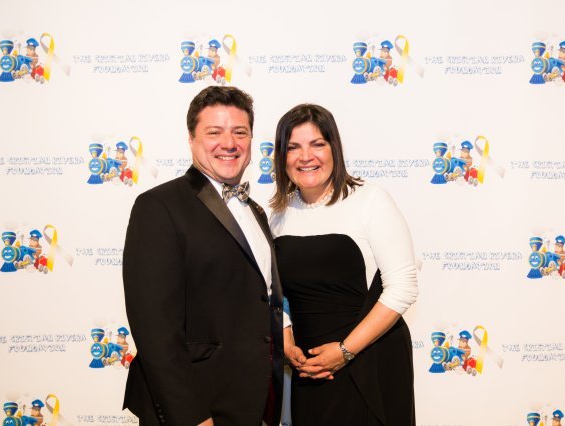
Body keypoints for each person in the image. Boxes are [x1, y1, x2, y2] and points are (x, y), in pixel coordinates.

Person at [122, 86, 283, 426]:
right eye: (214, 132)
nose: (229, 143)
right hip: (197, 408)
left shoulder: (256, 211)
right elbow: (155, 330)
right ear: (191, 139)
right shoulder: (159, 207)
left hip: (252, 404)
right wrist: (192, 417)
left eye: (240, 132)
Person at [270, 104, 418, 425]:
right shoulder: (278, 214)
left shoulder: (370, 200)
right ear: (281, 156)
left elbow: (403, 287)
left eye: (317, 144)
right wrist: (286, 338)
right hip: (310, 368)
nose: (305, 156)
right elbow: (273, 291)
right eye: (293, 147)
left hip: (369, 359)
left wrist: (345, 351)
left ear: (334, 148)